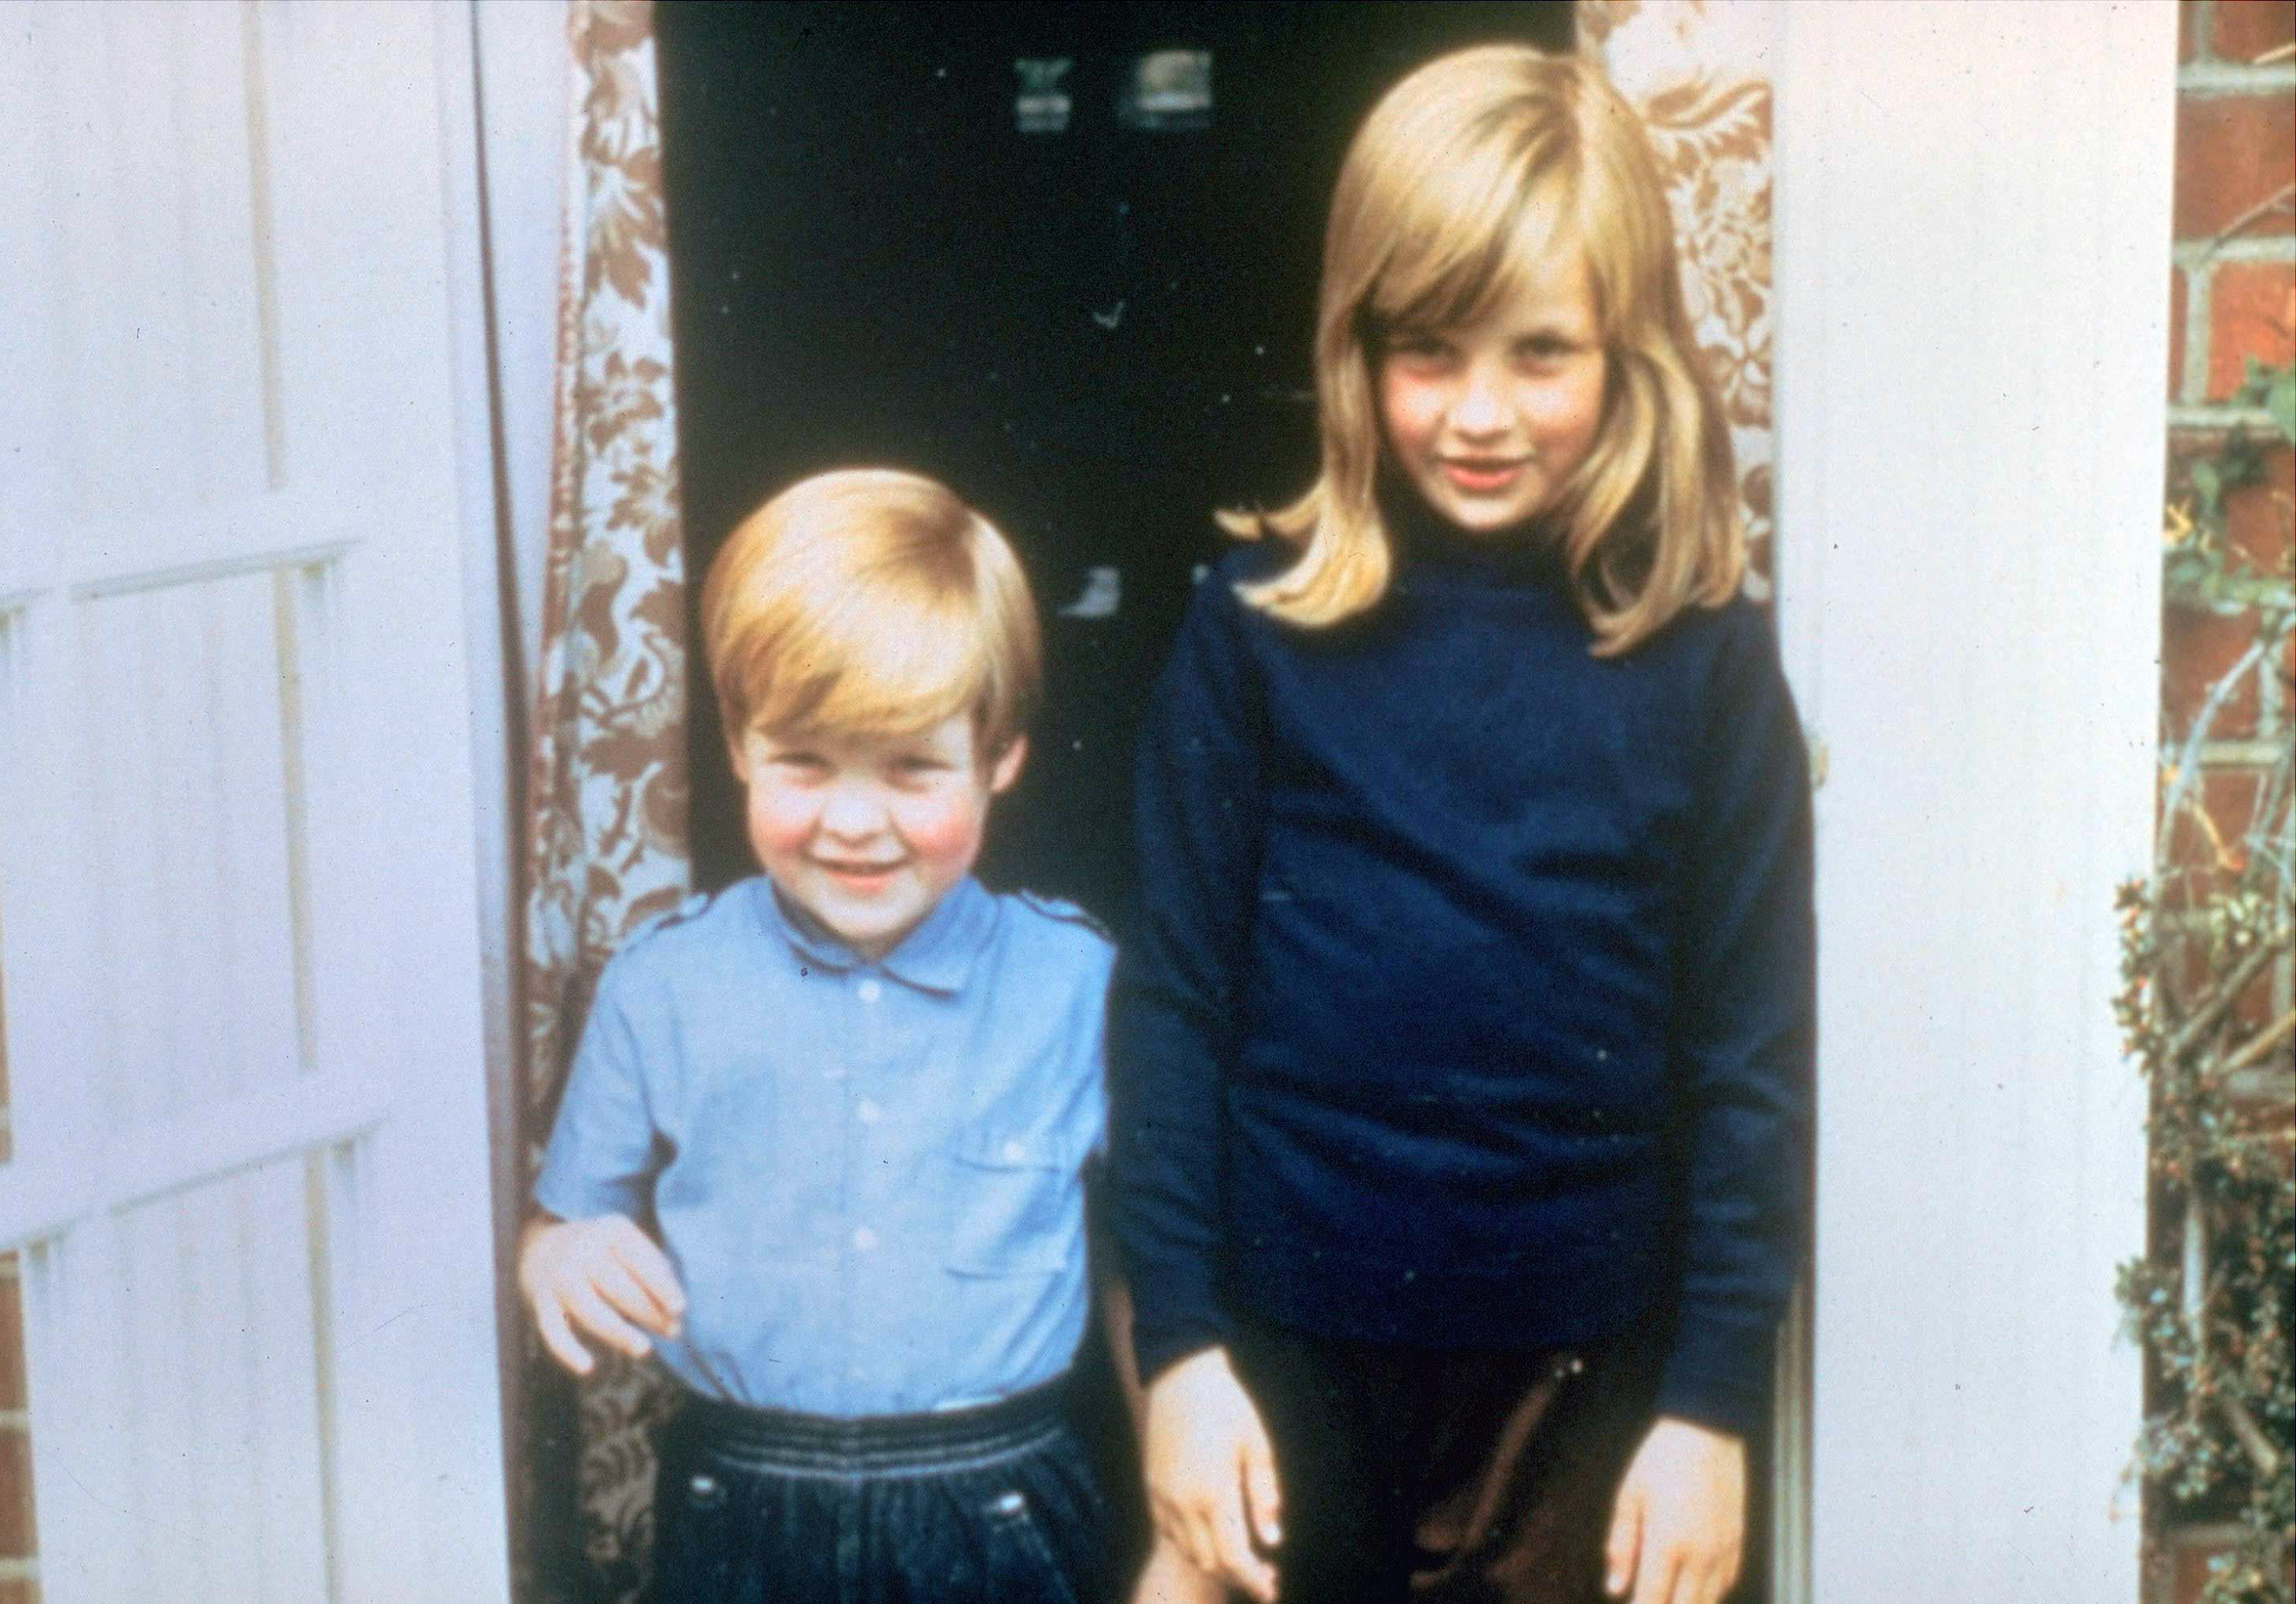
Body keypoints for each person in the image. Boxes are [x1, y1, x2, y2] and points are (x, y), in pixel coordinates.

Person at [1110, 44, 1814, 1604]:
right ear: (1352, 351)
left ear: (1631, 355)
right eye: (1428, 351)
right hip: (1289, 1348)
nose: (1480, 412)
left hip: (1587, 1380)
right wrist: (1180, 1351)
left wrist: (1710, 1407)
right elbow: (1169, 1005)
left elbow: (1752, 1065)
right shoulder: (1254, 630)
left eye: (1541, 353)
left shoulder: (1702, 655)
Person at [522, 468, 1122, 1603]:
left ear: (999, 758)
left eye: (910, 768)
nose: (853, 822)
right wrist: (559, 1252)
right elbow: (569, 1216)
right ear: (739, 746)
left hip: (1002, 1504)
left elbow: (1152, 1256)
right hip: (737, 1499)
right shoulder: (662, 983)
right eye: (804, 760)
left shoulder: (1076, 983)